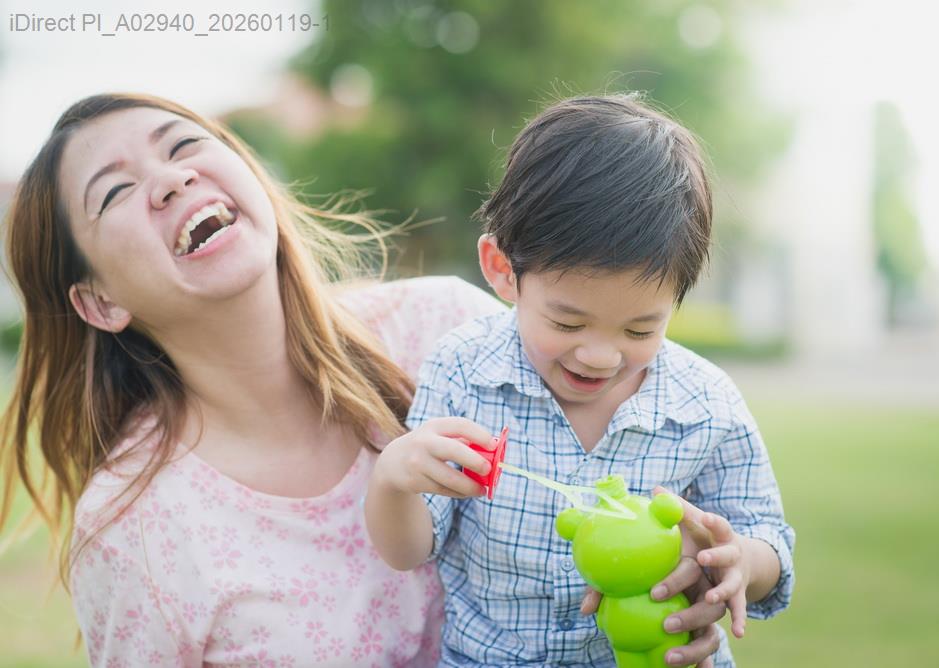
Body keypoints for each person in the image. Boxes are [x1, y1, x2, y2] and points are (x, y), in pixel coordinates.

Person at [0, 92, 506, 667]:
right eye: (115, 192)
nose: (171, 179)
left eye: (184, 144)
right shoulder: (134, 531)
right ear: (99, 301)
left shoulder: (450, 331)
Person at [365, 94, 795, 667]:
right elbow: (410, 549)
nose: (599, 355)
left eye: (641, 329)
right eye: (567, 321)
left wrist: (737, 561)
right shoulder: (466, 372)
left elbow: (768, 539)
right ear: (502, 271)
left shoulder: (705, 404)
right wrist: (393, 479)